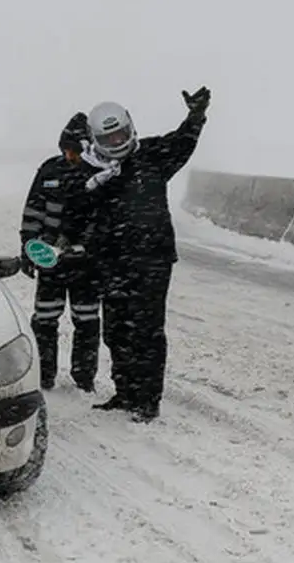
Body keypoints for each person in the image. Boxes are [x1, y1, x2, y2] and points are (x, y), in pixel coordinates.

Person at [80, 86, 211, 422]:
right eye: (108, 139)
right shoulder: (91, 174)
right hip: (111, 263)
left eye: (120, 134)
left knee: (147, 332)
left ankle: (147, 400)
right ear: (95, 139)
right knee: (115, 331)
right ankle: (125, 393)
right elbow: (79, 213)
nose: (116, 142)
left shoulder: (152, 154)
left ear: (131, 127)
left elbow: (182, 142)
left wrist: (195, 116)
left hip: (152, 260)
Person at [19, 112, 102, 392]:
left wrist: (87, 249)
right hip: (51, 262)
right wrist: (28, 247)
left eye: (75, 151)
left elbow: (105, 221)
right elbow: (33, 211)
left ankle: (84, 378)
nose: (70, 156)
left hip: (86, 266)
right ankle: (44, 375)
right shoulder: (49, 170)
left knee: (87, 319)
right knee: (44, 318)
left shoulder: (98, 175)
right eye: (66, 150)